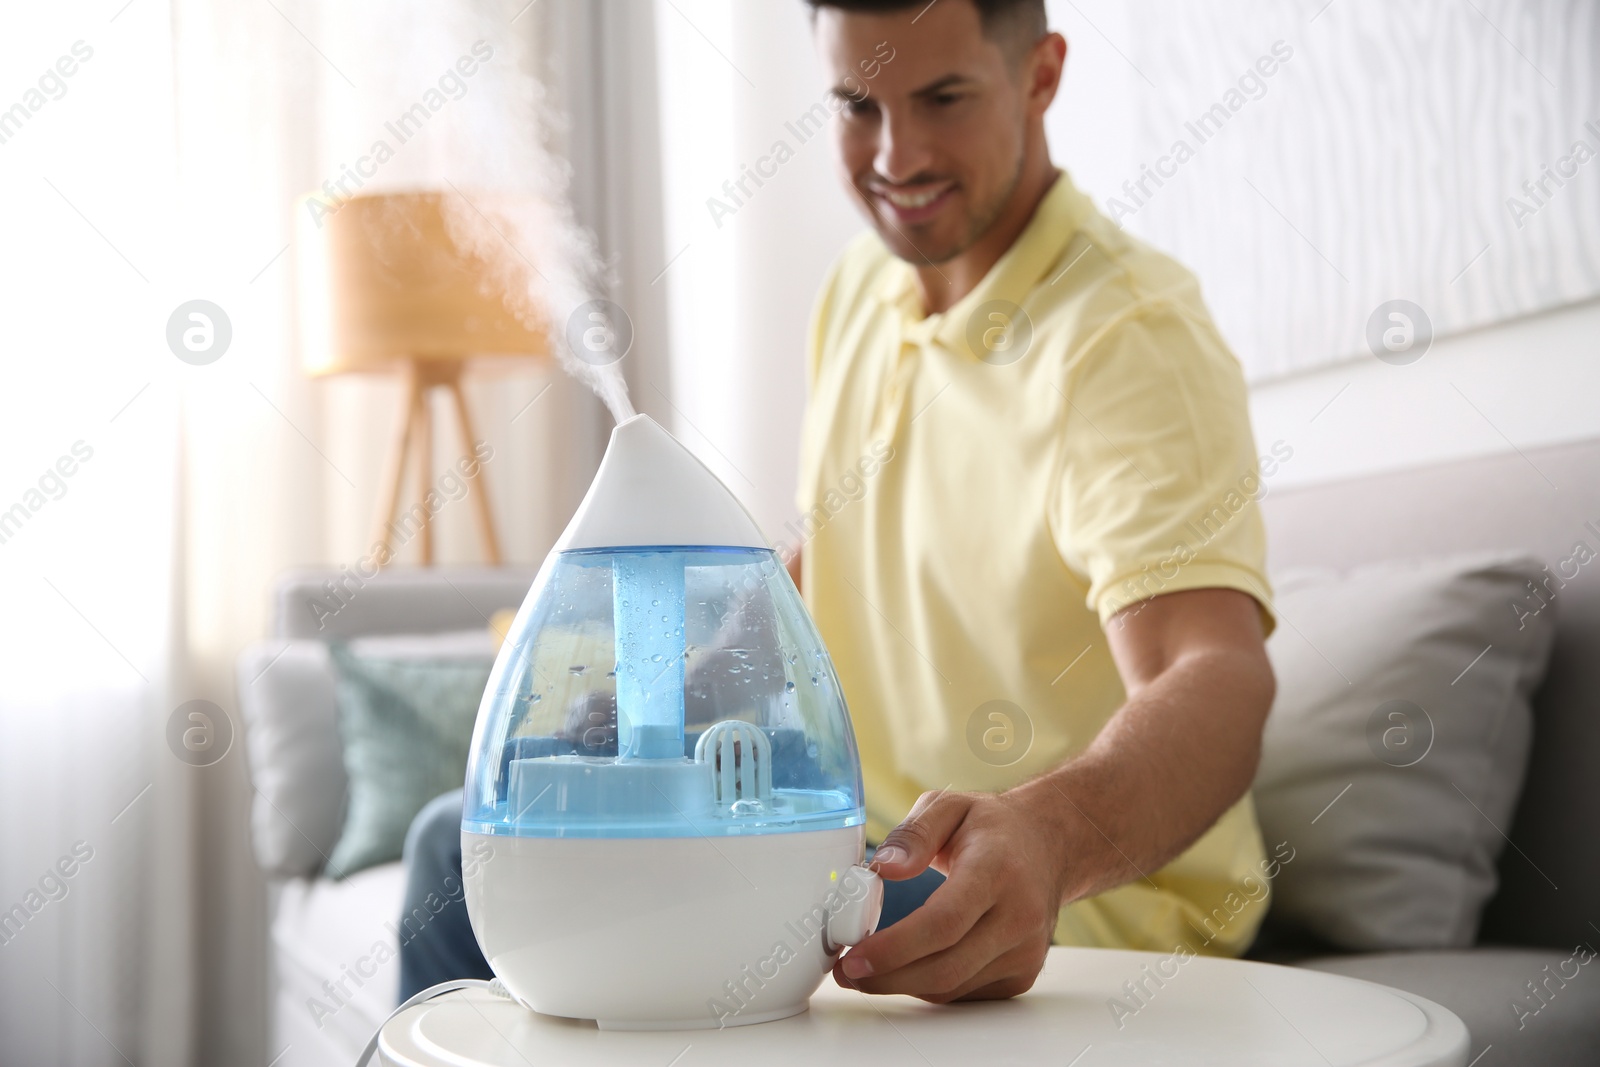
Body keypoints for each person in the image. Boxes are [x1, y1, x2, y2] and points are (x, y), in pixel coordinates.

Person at [399, 0, 1279, 1005]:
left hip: (1067, 901)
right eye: (857, 105)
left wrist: (1050, 834)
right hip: (864, 843)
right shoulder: (862, 288)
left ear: (1040, 74)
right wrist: (655, 709)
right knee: (452, 844)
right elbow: (825, 562)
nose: (896, 155)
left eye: (941, 98)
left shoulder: (1125, 337)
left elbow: (1212, 673)